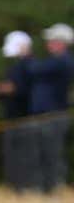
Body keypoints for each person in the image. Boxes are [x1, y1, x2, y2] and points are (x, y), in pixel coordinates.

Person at [28, 23, 72, 194]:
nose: (48, 43)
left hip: (53, 116)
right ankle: (47, 190)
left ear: (62, 42)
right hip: (47, 115)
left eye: (52, 40)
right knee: (44, 154)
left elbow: (34, 68)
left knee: (51, 154)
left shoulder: (62, 61)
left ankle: (54, 190)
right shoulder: (56, 61)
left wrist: (29, 57)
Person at [0, 32, 37, 192]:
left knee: (25, 157)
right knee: (12, 158)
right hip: (11, 118)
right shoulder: (14, 67)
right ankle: (14, 189)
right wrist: (4, 90)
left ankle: (25, 189)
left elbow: (27, 91)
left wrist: (12, 89)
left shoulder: (32, 66)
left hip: (25, 119)